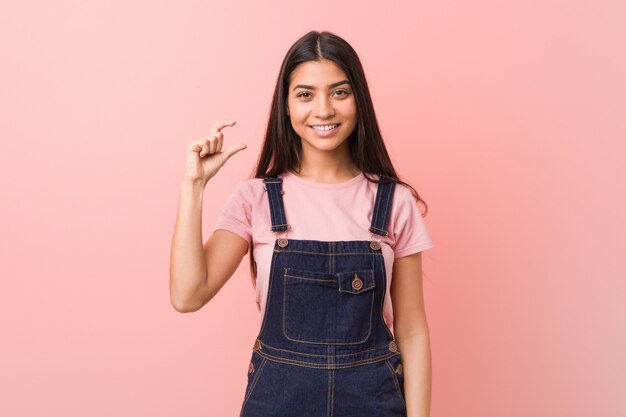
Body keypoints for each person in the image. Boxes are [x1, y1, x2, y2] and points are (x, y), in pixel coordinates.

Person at [170, 30, 434, 417]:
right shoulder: (255, 199)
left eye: (340, 92)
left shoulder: (394, 201)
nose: (323, 110)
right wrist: (193, 186)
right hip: (277, 402)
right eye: (306, 94)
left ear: (359, 99)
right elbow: (187, 295)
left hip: (373, 402)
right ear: (287, 106)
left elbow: (412, 332)